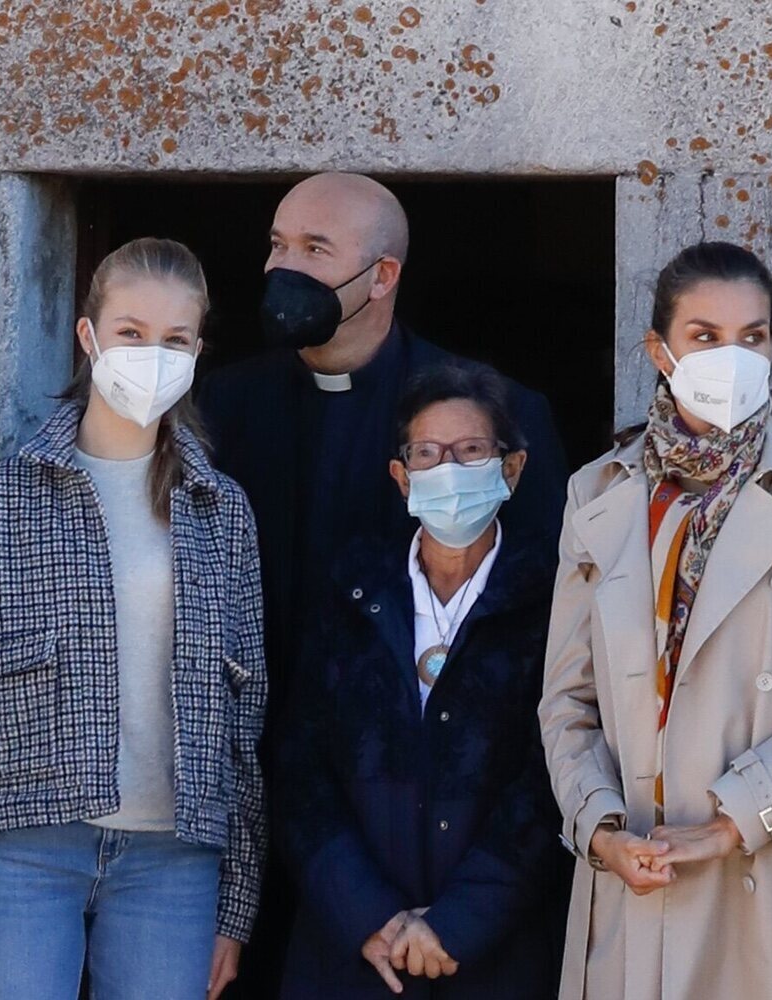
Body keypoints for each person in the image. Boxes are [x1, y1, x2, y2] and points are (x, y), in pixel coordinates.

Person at [0, 238, 266, 1000]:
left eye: (174, 340)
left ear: (199, 350)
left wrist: (237, 901)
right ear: (88, 335)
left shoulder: (222, 510)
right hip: (23, 850)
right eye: (132, 333)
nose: (151, 355)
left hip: (175, 857)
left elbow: (245, 717)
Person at [538, 241, 772, 1000]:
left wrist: (732, 823)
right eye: (705, 336)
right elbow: (567, 701)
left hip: (768, 868)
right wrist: (600, 830)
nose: (732, 357)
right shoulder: (596, 495)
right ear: (658, 350)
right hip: (636, 874)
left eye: (752, 336)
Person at [199, 172, 571, 701]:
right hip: (258, 720)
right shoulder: (223, 404)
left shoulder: (492, 413)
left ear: (382, 276)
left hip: (410, 738)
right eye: (278, 244)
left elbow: (539, 591)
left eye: (315, 249)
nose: (282, 267)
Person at [275, 365, 570, 999]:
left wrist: (459, 923)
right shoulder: (351, 590)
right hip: (350, 953)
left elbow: (553, 778)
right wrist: (367, 914)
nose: (449, 472)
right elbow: (300, 767)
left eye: (471, 452)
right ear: (402, 477)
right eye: (427, 455)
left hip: (493, 952)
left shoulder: (552, 598)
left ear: (511, 469)